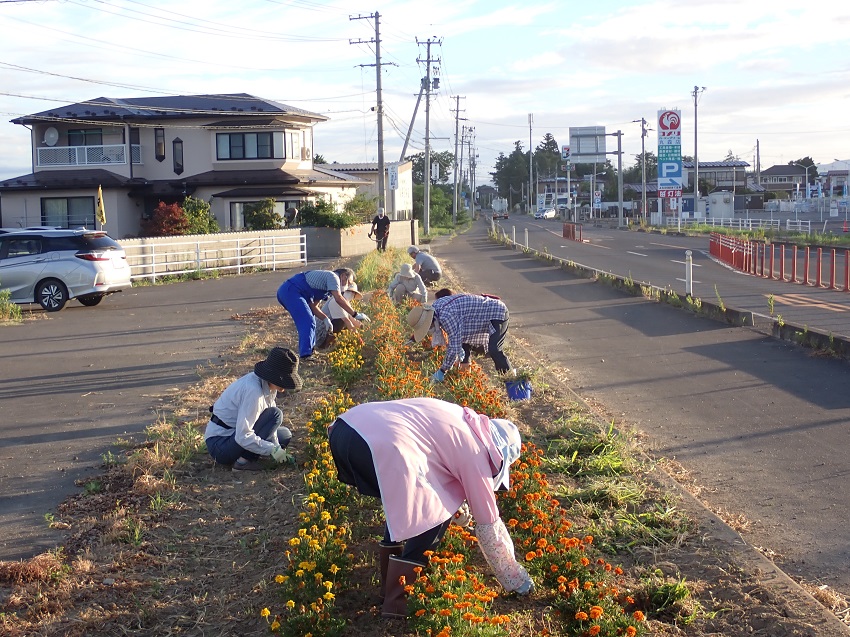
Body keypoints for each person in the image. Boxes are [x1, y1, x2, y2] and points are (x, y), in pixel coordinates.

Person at [327, 397, 534, 618]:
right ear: (500, 454)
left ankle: (388, 587)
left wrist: (455, 507)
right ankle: (398, 601)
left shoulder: (461, 419)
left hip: (347, 430)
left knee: (407, 496)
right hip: (379, 446)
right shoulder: (477, 453)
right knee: (433, 512)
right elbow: (489, 525)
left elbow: (435, 466)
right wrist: (515, 579)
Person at [204, 347, 302, 472]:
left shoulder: (268, 386)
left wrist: (277, 448)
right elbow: (242, 435)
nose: (285, 386)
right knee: (275, 415)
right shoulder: (253, 391)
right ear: (274, 376)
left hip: (233, 435)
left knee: (284, 435)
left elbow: (268, 427)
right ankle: (243, 462)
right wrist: (272, 450)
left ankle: (248, 454)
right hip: (220, 445)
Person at [407, 293, 512, 380]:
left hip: (496, 312)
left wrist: (442, 371)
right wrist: (411, 340)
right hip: (474, 318)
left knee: (494, 349)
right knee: (463, 341)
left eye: (426, 328)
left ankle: (512, 381)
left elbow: (454, 347)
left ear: (430, 321)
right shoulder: (436, 309)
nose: (428, 331)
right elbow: (459, 338)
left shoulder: (446, 316)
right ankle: (465, 375)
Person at [276, 268, 370, 358]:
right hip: (291, 291)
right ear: (343, 276)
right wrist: (355, 314)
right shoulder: (333, 277)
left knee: (311, 319)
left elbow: (313, 306)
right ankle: (306, 354)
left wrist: (325, 318)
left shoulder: (326, 288)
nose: (347, 287)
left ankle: (310, 351)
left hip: (292, 291)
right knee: (307, 321)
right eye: (348, 282)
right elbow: (338, 299)